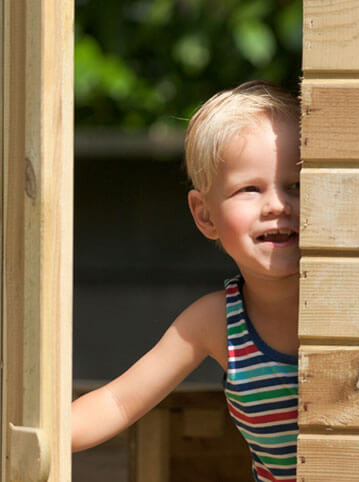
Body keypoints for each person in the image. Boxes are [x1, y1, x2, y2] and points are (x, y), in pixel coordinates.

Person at [72, 80, 301, 482]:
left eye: (296, 186)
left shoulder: (354, 295)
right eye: (250, 189)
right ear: (205, 215)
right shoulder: (215, 321)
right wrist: (30, 434)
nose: (278, 204)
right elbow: (118, 403)